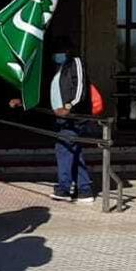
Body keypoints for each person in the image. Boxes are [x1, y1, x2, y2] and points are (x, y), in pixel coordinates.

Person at [47, 37, 97, 203]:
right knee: (73, 150)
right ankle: (85, 189)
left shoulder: (75, 63)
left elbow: (80, 88)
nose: (56, 55)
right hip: (62, 118)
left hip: (74, 117)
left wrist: (69, 106)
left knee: (64, 149)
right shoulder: (58, 67)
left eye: (59, 52)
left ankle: (65, 188)